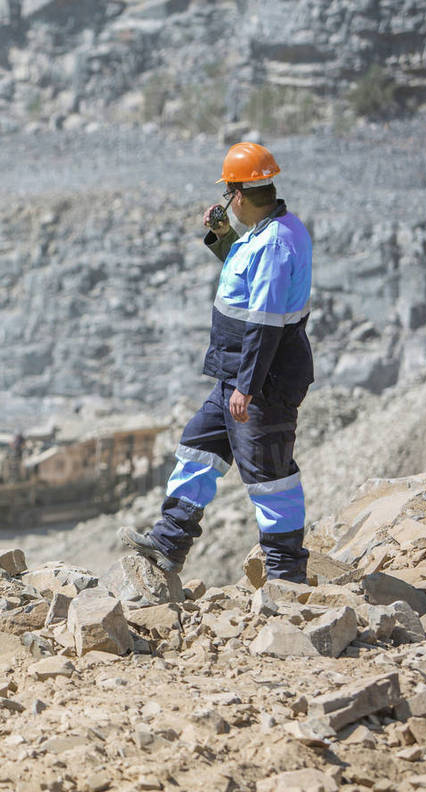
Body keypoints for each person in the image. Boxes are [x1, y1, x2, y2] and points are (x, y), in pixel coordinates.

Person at [121, 142, 314, 583]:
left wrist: (248, 386)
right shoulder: (265, 233)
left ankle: (286, 577)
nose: (228, 200)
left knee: (269, 476)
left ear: (239, 194)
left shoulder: (276, 243)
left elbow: (265, 322)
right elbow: (245, 278)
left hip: (263, 382)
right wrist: (225, 236)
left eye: (229, 194)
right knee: (198, 447)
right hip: (236, 374)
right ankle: (169, 542)